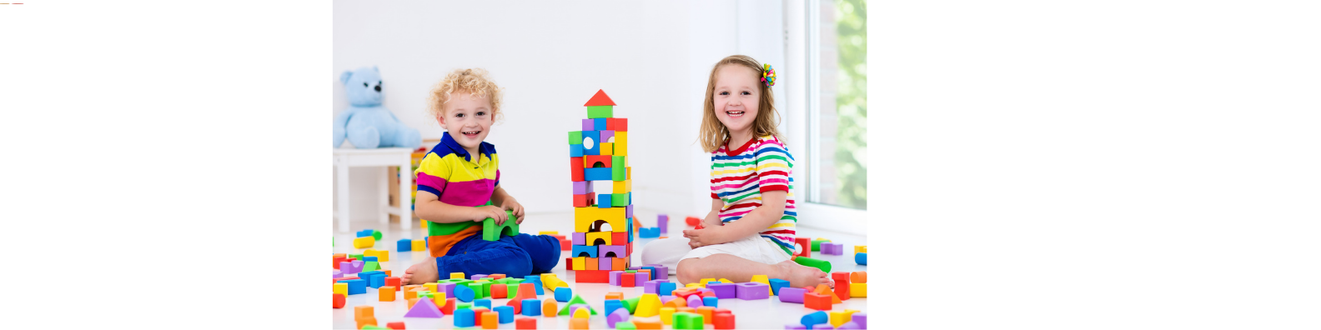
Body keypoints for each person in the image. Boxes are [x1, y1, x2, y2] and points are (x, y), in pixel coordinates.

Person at [639, 55, 830, 288]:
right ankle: (722, 261)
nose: (734, 101)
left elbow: (773, 211)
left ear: (762, 100)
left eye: (745, 93)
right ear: (712, 100)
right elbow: (718, 211)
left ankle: (780, 271)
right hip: (733, 238)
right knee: (651, 255)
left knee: (687, 270)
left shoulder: (768, 149)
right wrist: (703, 234)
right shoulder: (720, 153)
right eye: (724, 93)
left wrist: (718, 237)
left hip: (766, 242)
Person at [402, 68, 560, 284]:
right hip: (457, 244)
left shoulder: (489, 154)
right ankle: (440, 268)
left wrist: (506, 200)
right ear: (442, 119)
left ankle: (497, 253)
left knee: (551, 250)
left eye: (480, 113)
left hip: (490, 234)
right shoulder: (438, 159)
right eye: (460, 115)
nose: (471, 123)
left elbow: (493, 189)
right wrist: (474, 212)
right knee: (519, 262)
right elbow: (423, 207)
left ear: (492, 116)